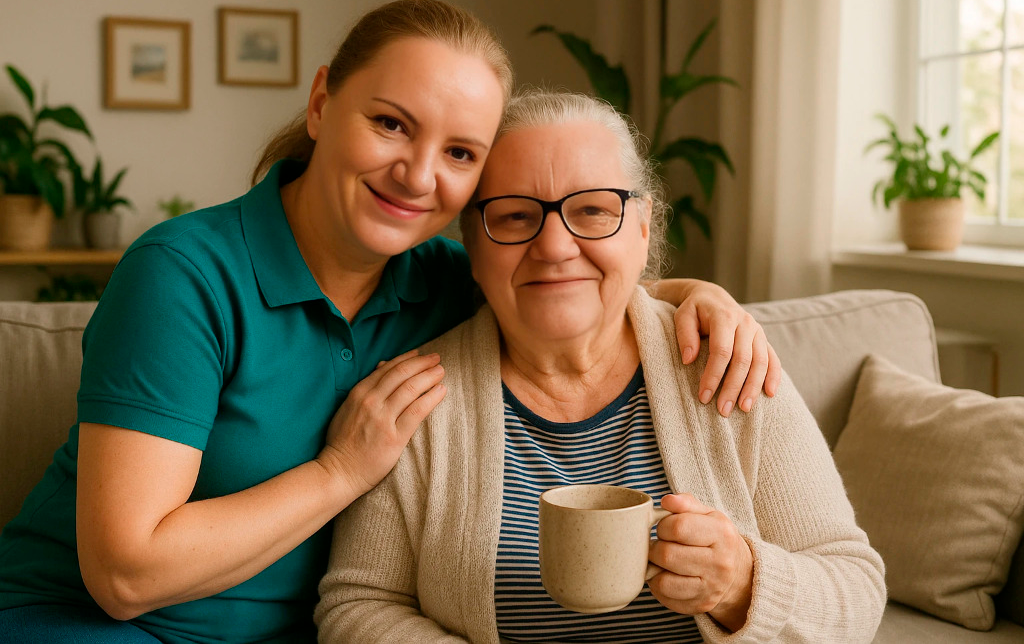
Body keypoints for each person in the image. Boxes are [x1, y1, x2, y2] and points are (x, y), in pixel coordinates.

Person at [0, 0, 780, 643]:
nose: (418, 175)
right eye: (391, 124)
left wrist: (695, 296)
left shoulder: (442, 283)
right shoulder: (182, 275)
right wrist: (342, 470)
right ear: (320, 103)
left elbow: (565, 278)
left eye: (461, 153)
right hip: (82, 625)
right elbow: (125, 574)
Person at [315, 90, 886, 643]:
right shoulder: (416, 401)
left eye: (592, 210)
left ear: (642, 225)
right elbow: (358, 605)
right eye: (515, 217)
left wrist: (742, 584)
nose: (556, 247)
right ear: (472, 244)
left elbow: (855, 591)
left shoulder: (726, 363)